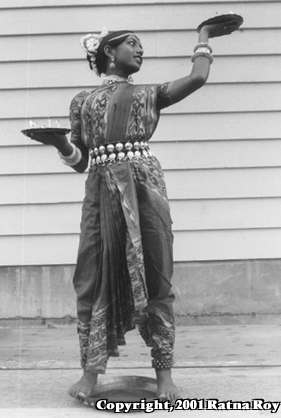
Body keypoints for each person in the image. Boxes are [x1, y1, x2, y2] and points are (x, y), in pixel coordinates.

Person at [28, 19, 240, 403]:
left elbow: (197, 79)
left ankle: (164, 374)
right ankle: (90, 373)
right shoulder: (82, 101)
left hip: (144, 188)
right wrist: (60, 144)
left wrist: (203, 37)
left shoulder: (149, 93)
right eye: (132, 44)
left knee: (157, 269)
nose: (140, 50)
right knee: (91, 274)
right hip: (99, 193)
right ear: (110, 52)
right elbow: (81, 160)